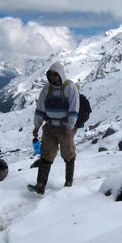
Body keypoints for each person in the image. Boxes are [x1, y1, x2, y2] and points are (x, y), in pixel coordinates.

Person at [27, 61, 80, 195]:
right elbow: (40, 108)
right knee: (46, 155)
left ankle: (68, 183)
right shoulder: (47, 89)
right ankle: (40, 185)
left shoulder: (70, 88)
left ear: (60, 74)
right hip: (50, 127)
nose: (53, 77)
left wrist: (69, 127)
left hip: (64, 128)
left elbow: (74, 109)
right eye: (51, 75)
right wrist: (37, 126)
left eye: (55, 75)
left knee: (68, 155)